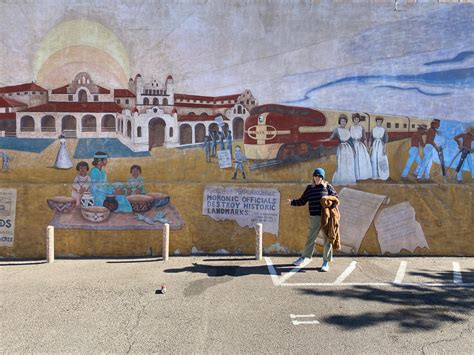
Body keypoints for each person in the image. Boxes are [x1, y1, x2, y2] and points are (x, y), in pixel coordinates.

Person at [288, 168, 337, 271]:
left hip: (326, 218)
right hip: (314, 217)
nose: (317, 178)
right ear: (313, 177)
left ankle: (325, 262)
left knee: (327, 239)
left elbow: (335, 199)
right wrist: (292, 202)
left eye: (319, 176)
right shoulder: (310, 188)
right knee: (310, 238)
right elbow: (302, 201)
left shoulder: (327, 187)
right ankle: (303, 258)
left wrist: (331, 206)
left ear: (322, 177)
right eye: (315, 176)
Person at [326, 114, 356, 185]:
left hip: (348, 149)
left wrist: (354, 150)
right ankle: (341, 180)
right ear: (340, 121)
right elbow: (331, 138)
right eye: (342, 121)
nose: (343, 122)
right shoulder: (337, 130)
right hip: (341, 148)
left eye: (345, 121)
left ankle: (349, 180)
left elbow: (350, 141)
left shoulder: (347, 130)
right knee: (341, 163)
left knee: (349, 163)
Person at [350, 113, 372, 180]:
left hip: (360, 145)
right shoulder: (351, 127)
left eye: (357, 119)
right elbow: (349, 138)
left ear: (359, 120)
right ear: (353, 120)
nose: (356, 120)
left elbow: (364, 138)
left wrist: (367, 147)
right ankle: (354, 176)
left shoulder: (361, 127)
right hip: (353, 145)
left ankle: (361, 176)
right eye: (355, 119)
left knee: (361, 160)